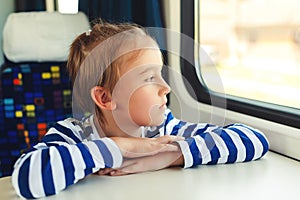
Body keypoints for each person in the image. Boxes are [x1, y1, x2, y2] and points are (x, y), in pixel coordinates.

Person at [11, 21, 269, 199]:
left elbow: (254, 140)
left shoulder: (163, 128)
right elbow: (27, 177)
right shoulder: (74, 134)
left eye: (161, 74)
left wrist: (170, 156)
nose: (166, 87)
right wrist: (122, 146)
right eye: (148, 78)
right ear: (105, 97)